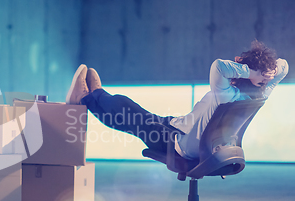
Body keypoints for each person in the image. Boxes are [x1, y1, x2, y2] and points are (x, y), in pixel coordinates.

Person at [65, 40, 289, 159]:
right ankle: (91, 99)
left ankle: (88, 97)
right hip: (179, 128)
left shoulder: (227, 94)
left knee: (126, 108)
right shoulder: (259, 95)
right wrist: (265, 72)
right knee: (129, 118)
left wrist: (250, 71)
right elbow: (284, 66)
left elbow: (219, 66)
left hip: (177, 143)